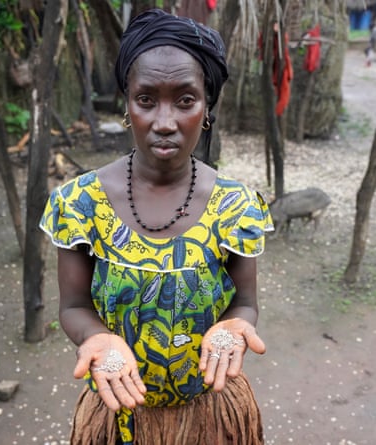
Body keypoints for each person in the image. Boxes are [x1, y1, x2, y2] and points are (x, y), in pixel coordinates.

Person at [40, 8, 274, 445]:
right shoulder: (80, 204)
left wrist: (235, 326)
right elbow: (73, 306)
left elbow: (244, 302)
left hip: (211, 412)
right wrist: (97, 338)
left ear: (206, 108)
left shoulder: (235, 206)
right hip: (117, 414)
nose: (164, 122)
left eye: (185, 100)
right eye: (146, 99)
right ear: (127, 105)